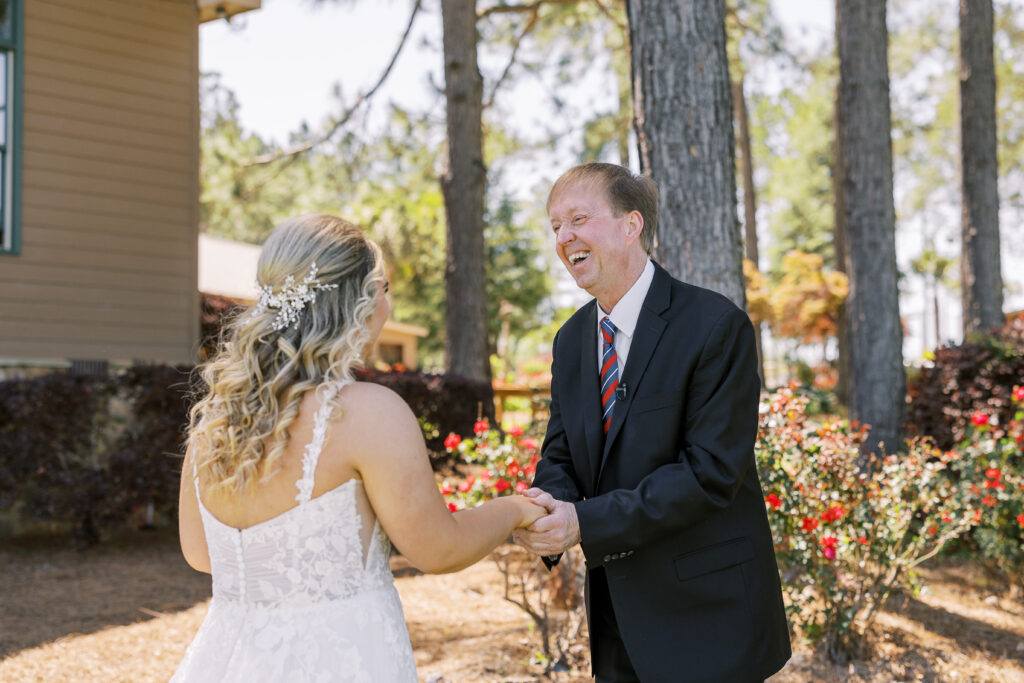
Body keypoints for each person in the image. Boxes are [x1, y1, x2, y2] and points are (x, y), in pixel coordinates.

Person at [173, 214, 545, 682]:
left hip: (226, 662)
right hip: (340, 658)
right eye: (384, 288)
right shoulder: (367, 413)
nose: (388, 307)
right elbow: (438, 549)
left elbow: (201, 554)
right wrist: (515, 509)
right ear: (357, 301)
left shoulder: (215, 420)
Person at [514, 163, 791, 682]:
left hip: (709, 617)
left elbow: (710, 473)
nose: (564, 236)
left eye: (578, 218)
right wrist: (550, 507)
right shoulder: (570, 340)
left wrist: (585, 522)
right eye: (555, 226)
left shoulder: (715, 325)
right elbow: (560, 452)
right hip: (616, 618)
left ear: (631, 225)